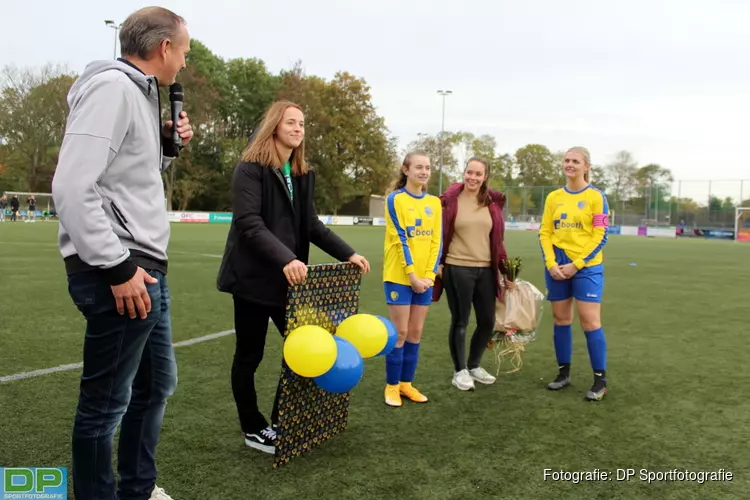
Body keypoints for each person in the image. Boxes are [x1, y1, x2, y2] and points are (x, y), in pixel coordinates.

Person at [51, 7, 193, 500]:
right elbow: (71, 185)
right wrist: (117, 267)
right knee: (105, 405)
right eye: (185, 52)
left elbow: (126, 178)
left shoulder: (140, 95)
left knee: (155, 388)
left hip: (145, 267)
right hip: (120, 268)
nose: (184, 63)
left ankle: (138, 488)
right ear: (164, 49)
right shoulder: (112, 88)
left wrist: (168, 147)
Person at [216, 100, 371, 454]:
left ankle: (283, 420)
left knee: (305, 348)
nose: (298, 128)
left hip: (290, 283)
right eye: (291, 122)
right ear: (274, 126)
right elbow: (249, 224)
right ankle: (253, 428)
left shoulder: (302, 173)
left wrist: (348, 253)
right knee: (249, 356)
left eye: (302, 123)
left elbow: (312, 225)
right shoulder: (250, 169)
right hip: (254, 280)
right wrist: (286, 257)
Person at [432, 157, 512, 391]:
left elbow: (498, 240)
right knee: (461, 320)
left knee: (487, 321)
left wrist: (505, 271)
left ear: (485, 176)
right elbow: (438, 234)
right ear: (464, 172)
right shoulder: (449, 201)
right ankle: (460, 371)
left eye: (478, 174)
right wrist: (437, 262)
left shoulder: (491, 202)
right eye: (470, 172)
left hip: (486, 270)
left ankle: (474, 365)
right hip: (457, 268)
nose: (473, 178)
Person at [538, 146, 610, 401]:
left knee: (589, 321)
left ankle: (600, 380)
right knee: (561, 320)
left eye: (575, 161)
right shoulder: (554, 197)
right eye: (567, 160)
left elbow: (601, 236)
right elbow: (545, 232)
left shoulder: (596, 197)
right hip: (557, 265)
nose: (570, 165)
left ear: (586, 166)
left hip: (586, 267)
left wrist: (577, 263)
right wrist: (550, 262)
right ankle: (563, 373)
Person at [382, 151, 442, 407]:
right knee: (400, 333)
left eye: (427, 167)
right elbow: (400, 239)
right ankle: (392, 386)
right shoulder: (395, 200)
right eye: (419, 167)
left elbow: (436, 241)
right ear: (406, 170)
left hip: (424, 280)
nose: (424, 172)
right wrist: (413, 275)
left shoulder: (435, 203)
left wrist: (428, 276)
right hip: (400, 276)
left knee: (416, 333)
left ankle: (406, 384)